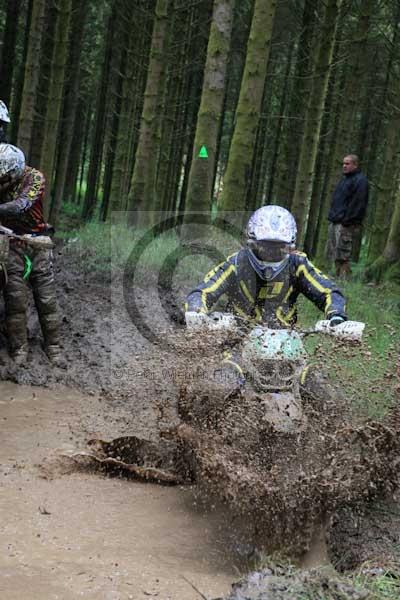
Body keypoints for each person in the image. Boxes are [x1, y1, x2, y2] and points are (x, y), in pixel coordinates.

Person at [186, 205, 347, 329]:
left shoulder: (297, 264)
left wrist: (336, 316)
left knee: (310, 373)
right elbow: (204, 290)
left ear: (290, 246)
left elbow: (328, 291)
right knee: (228, 371)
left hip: (286, 342)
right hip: (236, 339)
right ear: (252, 243)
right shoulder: (236, 263)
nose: (271, 253)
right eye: (265, 246)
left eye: (279, 247)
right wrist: (197, 312)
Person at [0, 143, 62, 365]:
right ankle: (19, 351)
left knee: (47, 299)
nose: (2, 183)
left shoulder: (34, 177)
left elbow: (21, 205)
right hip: (11, 245)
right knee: (14, 299)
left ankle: (54, 348)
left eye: (5, 178)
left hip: (37, 244)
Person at [326, 154, 369, 278]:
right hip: (335, 220)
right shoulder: (344, 180)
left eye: (347, 163)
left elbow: (359, 204)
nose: (344, 166)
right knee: (334, 252)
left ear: (355, 165)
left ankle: (345, 280)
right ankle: (337, 277)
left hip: (346, 223)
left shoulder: (360, 181)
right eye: (343, 163)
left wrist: (348, 221)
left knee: (343, 253)